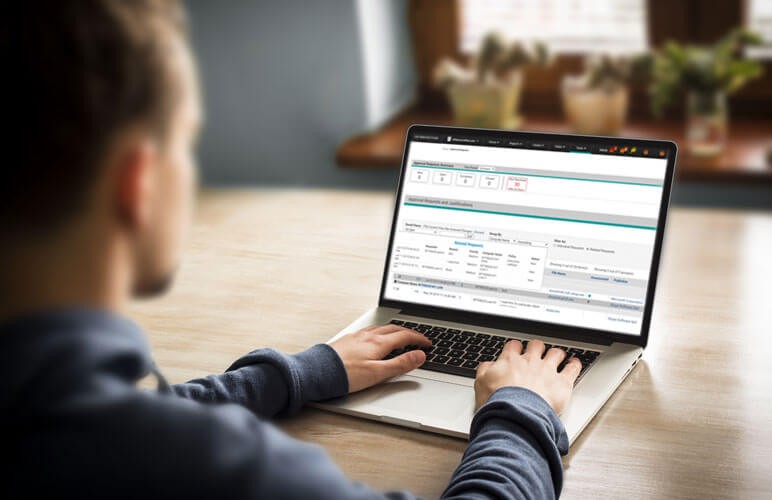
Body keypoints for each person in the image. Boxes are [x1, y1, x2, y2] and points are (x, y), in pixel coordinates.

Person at [0, 1, 582, 498]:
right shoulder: (213, 469)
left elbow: (116, 417)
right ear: (139, 184)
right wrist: (519, 410)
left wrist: (300, 373)